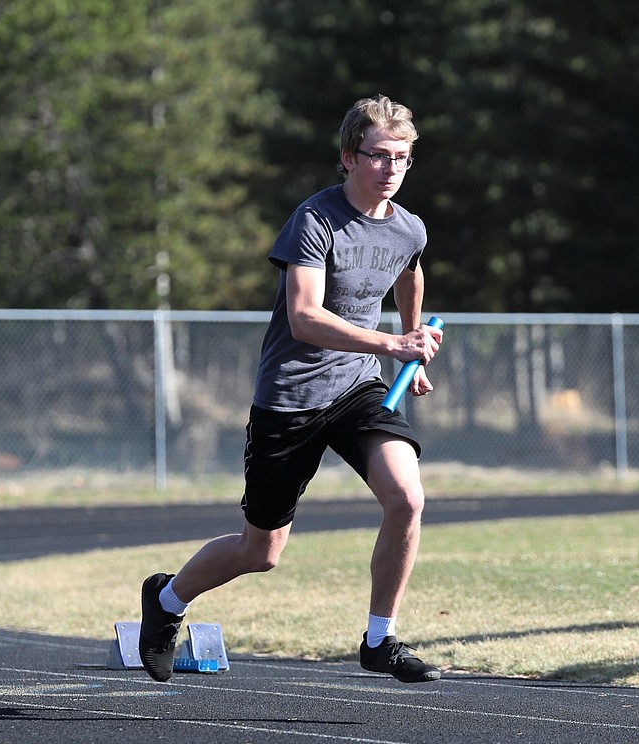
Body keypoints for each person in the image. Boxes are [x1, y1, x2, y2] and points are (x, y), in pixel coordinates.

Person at [138, 95, 444, 684]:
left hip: (358, 388)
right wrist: (392, 346)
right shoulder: (315, 220)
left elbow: (411, 269)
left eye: (402, 159)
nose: (391, 170)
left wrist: (411, 340)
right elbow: (304, 317)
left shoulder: (410, 227)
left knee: (407, 498)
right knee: (261, 552)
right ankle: (167, 600)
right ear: (348, 158)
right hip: (291, 397)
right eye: (379, 157)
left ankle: (380, 640)